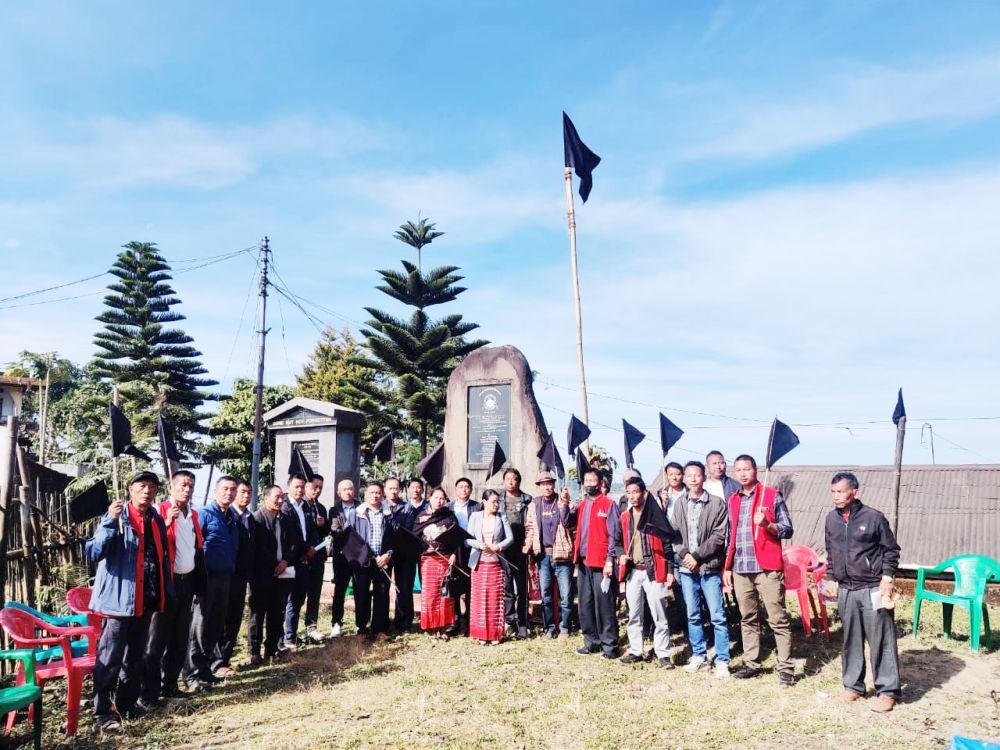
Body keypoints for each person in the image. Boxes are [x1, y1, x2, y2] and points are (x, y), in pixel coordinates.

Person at [88, 471, 172, 734]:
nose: (147, 491)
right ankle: (102, 713)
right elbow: (93, 551)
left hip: (145, 600)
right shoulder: (116, 516)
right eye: (142, 486)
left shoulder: (156, 519)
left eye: (152, 486)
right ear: (130, 489)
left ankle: (126, 704)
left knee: (135, 657)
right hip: (118, 601)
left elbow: (162, 557)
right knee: (110, 658)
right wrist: (110, 522)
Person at [825, 471, 902, 712]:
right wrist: (829, 576)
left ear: (854, 492)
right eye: (833, 492)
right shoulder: (831, 519)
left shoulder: (874, 518)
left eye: (841, 491)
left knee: (882, 639)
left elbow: (891, 550)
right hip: (846, 589)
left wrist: (887, 577)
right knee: (851, 640)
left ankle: (887, 690)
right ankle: (853, 686)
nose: (836, 497)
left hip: (872, 587)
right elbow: (830, 551)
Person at [724, 455, 795, 687]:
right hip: (741, 567)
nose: (743, 474)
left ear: (756, 470)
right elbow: (730, 535)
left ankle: (785, 667)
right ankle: (751, 662)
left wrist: (767, 525)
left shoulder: (771, 496)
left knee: (777, 618)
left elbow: (787, 530)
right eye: (739, 470)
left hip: (767, 568)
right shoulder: (733, 499)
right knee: (748, 617)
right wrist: (727, 566)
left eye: (747, 469)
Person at [143, 470, 204, 705]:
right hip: (165, 582)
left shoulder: (193, 515)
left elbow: (197, 550)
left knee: (180, 637)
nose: (186, 490)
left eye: (190, 486)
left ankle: (170, 685)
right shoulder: (159, 511)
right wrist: (167, 522)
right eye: (182, 485)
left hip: (186, 582)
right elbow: (149, 542)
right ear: (172, 487)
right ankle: (149, 691)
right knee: (157, 638)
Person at [673, 461, 731, 678]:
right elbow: (674, 535)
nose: (693, 479)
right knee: (693, 615)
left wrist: (697, 556)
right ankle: (699, 655)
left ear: (703, 477)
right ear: (684, 479)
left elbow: (719, 536)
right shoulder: (679, 503)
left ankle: (723, 659)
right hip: (687, 570)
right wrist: (685, 555)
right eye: (689, 475)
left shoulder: (716, 504)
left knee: (717, 615)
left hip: (709, 568)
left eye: (697, 475)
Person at [185, 476, 239, 692]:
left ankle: (206, 670)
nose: (229, 493)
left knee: (215, 627)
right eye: (225, 489)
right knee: (199, 627)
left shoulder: (232, 517)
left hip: (225, 578)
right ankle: (193, 675)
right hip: (206, 578)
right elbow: (195, 547)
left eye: (233, 489)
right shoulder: (204, 515)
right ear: (216, 491)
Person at [618, 477, 675, 668]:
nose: (633, 496)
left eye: (636, 492)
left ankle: (663, 653)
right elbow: (617, 542)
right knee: (634, 613)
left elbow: (668, 544)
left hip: (654, 570)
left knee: (659, 614)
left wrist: (669, 570)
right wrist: (620, 555)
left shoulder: (654, 517)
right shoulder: (625, 518)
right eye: (629, 493)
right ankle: (636, 650)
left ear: (644, 493)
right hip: (633, 571)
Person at [247, 485, 302, 665]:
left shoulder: (286, 519)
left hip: (283, 573)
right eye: (276, 497)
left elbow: (294, 543)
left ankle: (271, 648)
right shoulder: (257, 518)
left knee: (276, 613)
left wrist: (285, 561)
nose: (280, 501)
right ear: (266, 498)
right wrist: (274, 564)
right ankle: (254, 652)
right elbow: (258, 547)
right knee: (258, 614)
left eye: (282, 498)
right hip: (262, 574)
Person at [573, 469, 623, 659]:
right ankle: (591, 642)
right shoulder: (582, 505)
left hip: (602, 563)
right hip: (584, 562)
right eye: (586, 480)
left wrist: (610, 560)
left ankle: (610, 645)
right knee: (585, 604)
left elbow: (615, 535)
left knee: (605, 606)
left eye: (593, 480)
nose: (589, 483)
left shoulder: (609, 505)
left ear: (600, 482)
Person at [522, 471, 575, 639]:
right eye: (543, 484)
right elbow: (530, 528)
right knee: (546, 595)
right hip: (543, 556)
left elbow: (568, 523)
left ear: (554, 484)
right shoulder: (534, 504)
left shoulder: (563, 501)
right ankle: (549, 627)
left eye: (549, 483)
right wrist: (527, 546)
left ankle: (565, 627)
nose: (547, 487)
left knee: (566, 595)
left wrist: (565, 503)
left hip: (562, 555)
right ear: (539, 486)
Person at [346, 481, 397, 640]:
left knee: (382, 594)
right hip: (363, 562)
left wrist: (388, 554)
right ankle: (362, 629)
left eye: (378, 493)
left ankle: (379, 629)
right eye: (371, 492)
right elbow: (349, 538)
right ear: (365, 494)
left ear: (382, 495)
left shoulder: (389, 514)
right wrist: (361, 556)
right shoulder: (356, 513)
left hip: (383, 562)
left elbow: (395, 538)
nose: (375, 495)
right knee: (361, 595)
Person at [214, 478, 253, 676]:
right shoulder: (225, 516)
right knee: (220, 619)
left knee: (234, 619)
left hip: (241, 577)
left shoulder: (250, 518)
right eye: (241, 492)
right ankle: (216, 662)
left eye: (248, 493)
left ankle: (225, 659)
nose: (245, 496)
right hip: (223, 575)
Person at [466, 490, 514, 645]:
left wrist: (498, 547)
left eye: (497, 501)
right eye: (493, 501)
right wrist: (481, 545)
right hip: (479, 563)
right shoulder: (475, 516)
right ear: (484, 501)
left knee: (495, 598)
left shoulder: (502, 516)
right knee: (480, 599)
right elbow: (467, 538)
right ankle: (480, 634)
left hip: (496, 563)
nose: (496, 504)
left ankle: (495, 634)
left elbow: (510, 538)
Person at [414, 487, 461, 639]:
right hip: (429, 560)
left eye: (442, 498)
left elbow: (456, 538)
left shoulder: (449, 516)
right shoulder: (421, 516)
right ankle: (431, 627)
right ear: (430, 498)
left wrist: (454, 554)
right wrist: (423, 546)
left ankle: (445, 627)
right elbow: (414, 537)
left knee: (445, 594)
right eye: (436, 498)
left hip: (445, 559)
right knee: (430, 594)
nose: (439, 501)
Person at [389, 478, 425, 634]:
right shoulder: (380, 506)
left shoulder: (407, 508)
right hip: (384, 553)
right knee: (382, 589)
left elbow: (409, 529)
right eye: (390, 488)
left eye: (396, 488)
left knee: (404, 588)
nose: (393, 491)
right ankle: (382, 623)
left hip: (404, 553)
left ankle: (404, 622)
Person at [501, 468, 532, 638]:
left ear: (519, 481)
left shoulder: (527, 500)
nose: (511, 482)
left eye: (514, 479)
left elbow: (532, 524)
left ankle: (522, 623)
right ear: (504, 481)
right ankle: (509, 621)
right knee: (506, 587)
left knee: (521, 588)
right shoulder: (498, 499)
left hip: (521, 548)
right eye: (508, 479)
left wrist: (529, 544)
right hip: (504, 549)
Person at [281, 474, 311, 649]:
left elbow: (311, 529)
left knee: (299, 598)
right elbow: (292, 535)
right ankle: (285, 638)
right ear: (289, 487)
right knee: (287, 600)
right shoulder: (285, 507)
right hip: (290, 559)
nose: (300, 490)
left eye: (302, 487)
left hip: (304, 560)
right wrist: (305, 550)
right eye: (296, 487)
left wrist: (311, 548)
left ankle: (292, 635)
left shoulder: (305, 505)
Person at [448, 477, 481, 635]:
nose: (464, 490)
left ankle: (469, 621)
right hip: (454, 551)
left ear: (470, 489)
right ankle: (454, 622)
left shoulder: (477, 506)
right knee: (454, 586)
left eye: (467, 487)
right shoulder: (448, 507)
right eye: (460, 487)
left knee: (470, 586)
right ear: (456, 489)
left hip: (472, 550)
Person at [326, 479, 356, 638]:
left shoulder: (361, 507)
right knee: (340, 591)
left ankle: (361, 624)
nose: (348, 492)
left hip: (359, 556)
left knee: (361, 590)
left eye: (350, 489)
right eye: (344, 490)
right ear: (339, 493)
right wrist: (354, 533)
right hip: (342, 556)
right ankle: (336, 623)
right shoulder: (334, 510)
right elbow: (335, 532)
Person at [302, 474, 330, 643]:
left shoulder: (320, 508)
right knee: (297, 596)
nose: (317, 490)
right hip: (302, 556)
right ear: (306, 486)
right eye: (314, 486)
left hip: (318, 557)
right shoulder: (300, 506)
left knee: (314, 593)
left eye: (320, 487)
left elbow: (325, 532)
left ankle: (311, 626)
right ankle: (289, 631)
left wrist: (323, 525)